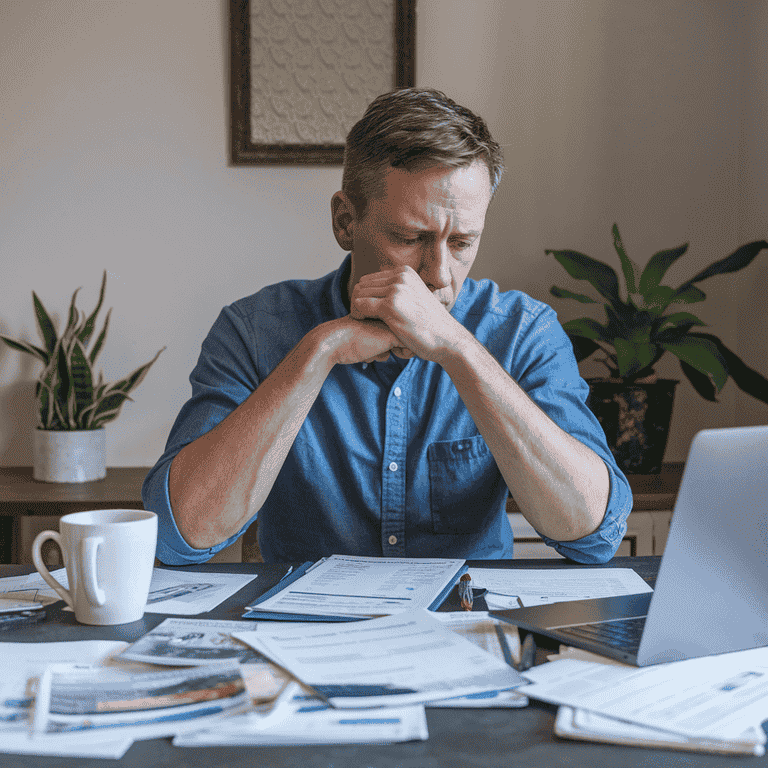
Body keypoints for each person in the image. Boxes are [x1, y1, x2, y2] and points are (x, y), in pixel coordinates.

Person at [143, 87, 632, 565]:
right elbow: (177, 535)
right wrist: (318, 352)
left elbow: (593, 532)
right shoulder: (252, 330)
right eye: (409, 237)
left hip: (465, 631)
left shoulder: (524, 332)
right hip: (305, 636)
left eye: (462, 243)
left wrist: (459, 351)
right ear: (344, 222)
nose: (439, 275)